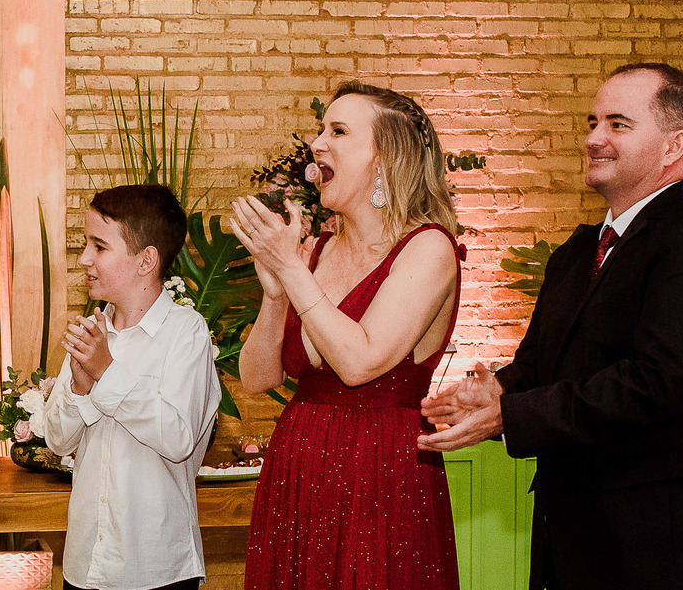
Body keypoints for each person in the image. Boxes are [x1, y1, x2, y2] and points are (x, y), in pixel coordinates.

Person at [419, 63, 683, 590]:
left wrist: (510, 415)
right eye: (592, 121)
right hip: (568, 540)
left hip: (661, 545)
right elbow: (540, 366)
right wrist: (494, 390)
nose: (593, 138)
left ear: (674, 146)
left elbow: (655, 382)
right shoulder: (575, 254)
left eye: (618, 124)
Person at [234, 81, 463, 590]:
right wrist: (275, 293)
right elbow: (256, 378)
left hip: (381, 471)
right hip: (298, 466)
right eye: (321, 130)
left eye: (338, 131)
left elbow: (360, 362)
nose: (318, 144)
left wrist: (289, 270)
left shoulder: (428, 250)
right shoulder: (314, 250)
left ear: (385, 159)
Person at [43, 183, 221, 590]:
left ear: (146, 261)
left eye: (99, 246)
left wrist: (107, 373)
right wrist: (82, 389)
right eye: (85, 244)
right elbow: (55, 439)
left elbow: (178, 438)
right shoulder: (93, 330)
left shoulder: (186, 332)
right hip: (85, 564)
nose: (84, 258)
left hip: (156, 568)